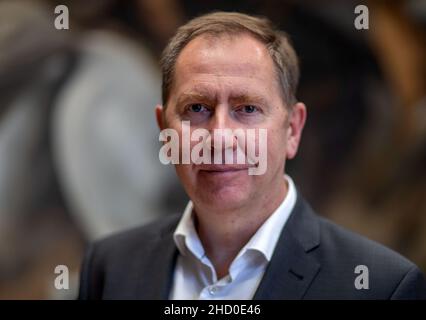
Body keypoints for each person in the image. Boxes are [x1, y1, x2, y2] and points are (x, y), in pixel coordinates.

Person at [78, 12, 426, 299]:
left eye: (247, 109)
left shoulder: (381, 287)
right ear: (163, 129)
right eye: (196, 108)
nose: (220, 137)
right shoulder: (110, 268)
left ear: (293, 129)